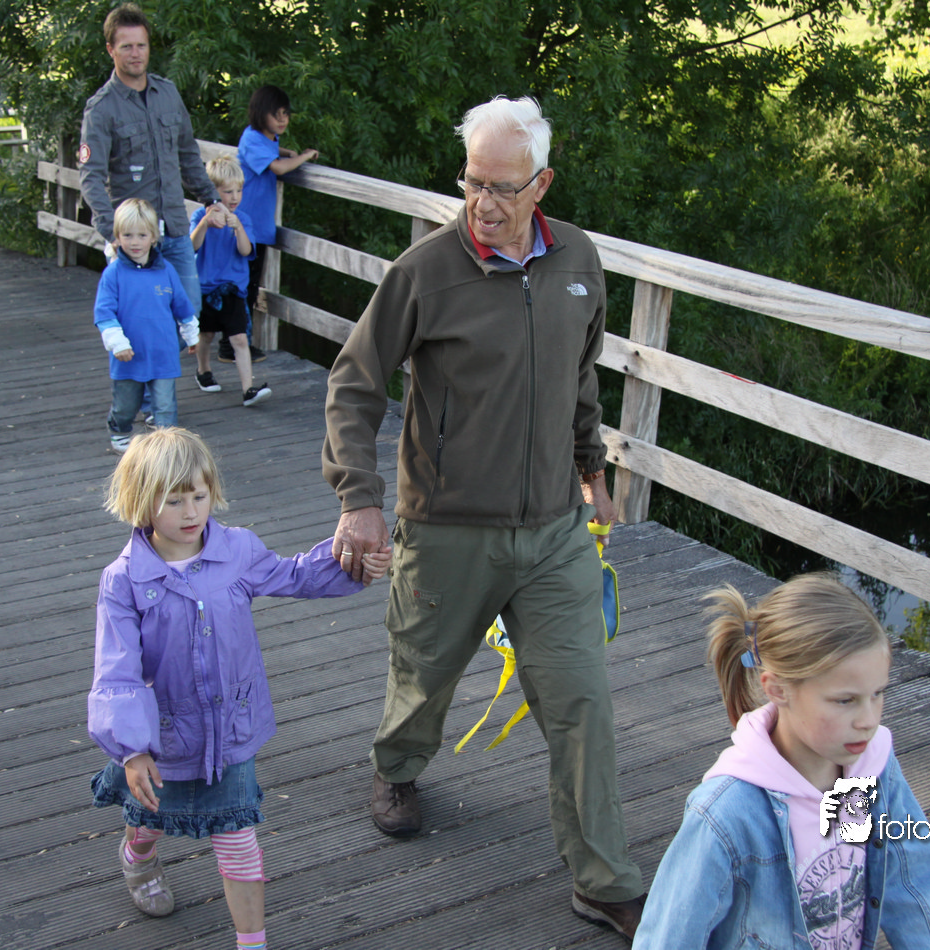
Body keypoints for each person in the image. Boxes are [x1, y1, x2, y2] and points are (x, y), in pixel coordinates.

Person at [321, 94, 646, 938]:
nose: (483, 203)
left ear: (542, 184)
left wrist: (591, 469)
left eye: (503, 186)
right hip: (446, 526)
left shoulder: (577, 259)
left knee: (581, 702)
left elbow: (578, 376)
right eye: (472, 182)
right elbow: (354, 382)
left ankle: (602, 878)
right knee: (421, 675)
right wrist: (359, 499)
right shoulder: (425, 272)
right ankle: (396, 767)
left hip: (553, 532)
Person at [88, 426, 391, 950]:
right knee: (150, 818)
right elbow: (117, 671)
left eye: (199, 496)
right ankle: (138, 857)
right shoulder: (124, 580)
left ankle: (252, 943)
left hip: (229, 731)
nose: (191, 512)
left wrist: (355, 562)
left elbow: (296, 575)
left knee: (239, 843)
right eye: (173, 500)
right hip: (162, 737)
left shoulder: (237, 551)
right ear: (141, 501)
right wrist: (132, 749)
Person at [632, 574, 930, 949]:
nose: (868, 720)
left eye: (877, 693)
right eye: (845, 700)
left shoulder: (874, 771)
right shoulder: (725, 814)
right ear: (778, 689)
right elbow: (669, 937)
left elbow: (920, 885)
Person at [79, 2, 217, 320]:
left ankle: (166, 354)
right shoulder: (101, 109)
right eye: (126, 47)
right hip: (133, 238)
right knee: (139, 319)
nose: (135, 54)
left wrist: (211, 199)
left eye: (141, 45)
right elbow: (90, 177)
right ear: (110, 49)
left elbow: (188, 154)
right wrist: (112, 232)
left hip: (176, 231)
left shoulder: (168, 94)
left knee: (189, 313)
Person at [95, 198, 199, 454]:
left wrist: (191, 334)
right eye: (127, 235)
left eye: (142, 235)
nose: (135, 242)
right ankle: (120, 430)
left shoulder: (167, 271)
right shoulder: (113, 274)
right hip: (128, 356)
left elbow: (182, 306)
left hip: (163, 353)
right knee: (126, 404)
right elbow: (104, 313)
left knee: (165, 405)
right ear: (117, 237)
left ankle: (167, 443)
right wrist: (117, 343)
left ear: (153, 236)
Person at [229, 85, 317, 365]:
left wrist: (285, 150)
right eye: (275, 114)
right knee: (242, 287)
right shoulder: (252, 138)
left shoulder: (264, 138)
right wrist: (303, 156)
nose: (281, 120)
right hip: (247, 227)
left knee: (250, 287)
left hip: (256, 228)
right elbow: (277, 167)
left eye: (285, 114)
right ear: (260, 113)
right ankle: (233, 345)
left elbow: (271, 152)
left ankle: (236, 342)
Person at [190, 154, 270, 407]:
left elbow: (246, 251)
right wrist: (205, 223)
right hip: (206, 288)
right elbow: (192, 246)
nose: (234, 197)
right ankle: (203, 371)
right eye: (227, 192)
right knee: (205, 335)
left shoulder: (243, 219)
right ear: (213, 192)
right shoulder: (199, 217)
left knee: (239, 339)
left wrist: (238, 228)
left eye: (239, 191)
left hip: (233, 290)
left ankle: (248, 389)